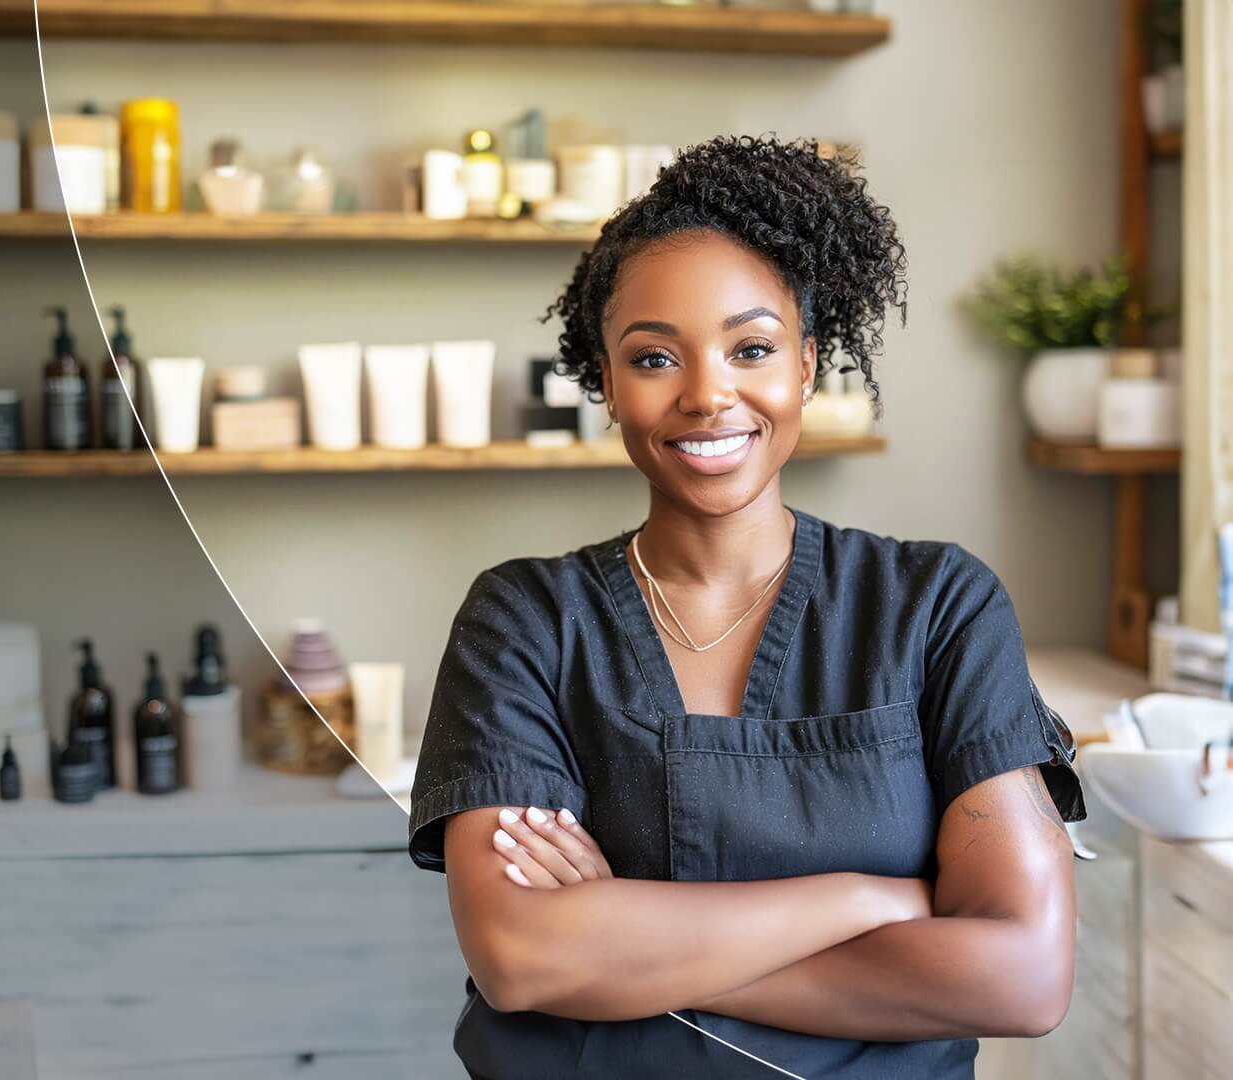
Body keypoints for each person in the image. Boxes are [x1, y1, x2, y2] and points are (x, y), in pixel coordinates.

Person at [407, 135, 1085, 1080]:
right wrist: (867, 897)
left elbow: (1024, 978)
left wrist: (627, 954)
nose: (708, 395)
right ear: (605, 381)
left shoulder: (936, 607)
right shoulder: (525, 621)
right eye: (653, 359)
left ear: (806, 365)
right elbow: (523, 957)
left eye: (752, 348)